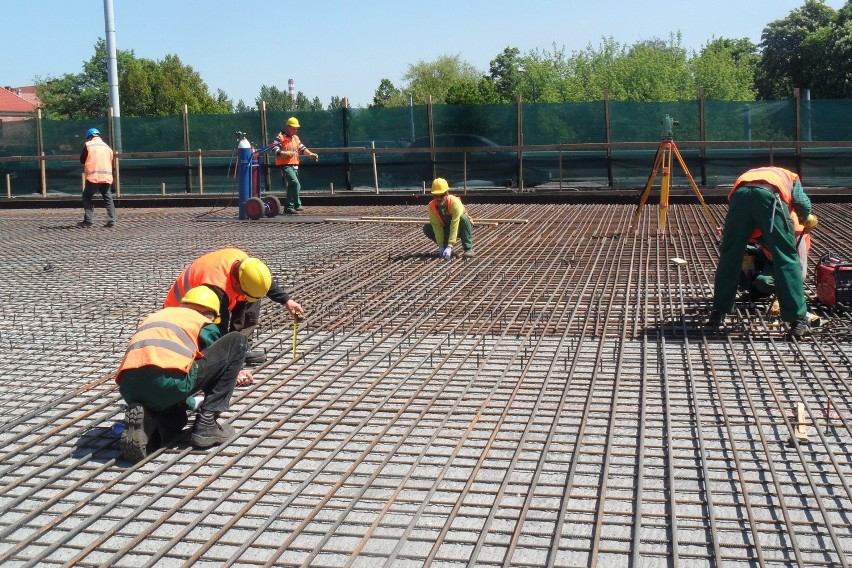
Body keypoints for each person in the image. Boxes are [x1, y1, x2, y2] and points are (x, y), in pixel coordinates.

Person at [116, 286, 253, 461]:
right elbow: (220, 358)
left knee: (176, 420)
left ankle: (150, 426)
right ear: (210, 314)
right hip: (169, 382)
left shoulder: (156, 316)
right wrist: (237, 371)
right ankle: (207, 423)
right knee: (237, 342)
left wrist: (189, 402)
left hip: (129, 389)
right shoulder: (201, 322)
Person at [708, 166, 814, 337]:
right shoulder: (792, 177)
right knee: (786, 257)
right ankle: (797, 320)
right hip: (769, 198)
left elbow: (743, 208)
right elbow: (802, 203)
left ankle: (718, 311)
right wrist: (804, 218)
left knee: (730, 255)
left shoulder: (751, 174)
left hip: (740, 198)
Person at [163, 247, 305, 363]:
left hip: (206, 301)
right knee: (211, 336)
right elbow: (219, 329)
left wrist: (287, 301)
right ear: (236, 283)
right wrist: (227, 365)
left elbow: (260, 283)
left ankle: (240, 347)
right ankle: (225, 354)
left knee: (252, 296)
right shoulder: (216, 286)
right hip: (179, 315)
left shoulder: (245, 264)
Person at [275, 116, 319, 214]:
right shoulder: (280, 137)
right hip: (286, 165)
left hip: (295, 165)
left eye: (296, 129)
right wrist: (284, 153)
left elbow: (302, 148)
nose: (296, 130)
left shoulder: (295, 138)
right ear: (288, 127)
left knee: (292, 186)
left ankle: (288, 208)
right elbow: (274, 150)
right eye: (294, 129)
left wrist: (310, 154)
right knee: (295, 183)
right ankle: (297, 204)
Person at [423, 178, 475, 259]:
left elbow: (455, 224)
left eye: (442, 195)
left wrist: (450, 245)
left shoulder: (455, 203)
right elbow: (436, 226)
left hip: (462, 227)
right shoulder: (431, 206)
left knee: (464, 218)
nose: (439, 198)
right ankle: (445, 249)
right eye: (436, 196)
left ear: (447, 193)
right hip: (447, 228)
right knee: (428, 228)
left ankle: (468, 249)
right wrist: (441, 246)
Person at [78, 128, 117, 228]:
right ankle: (112, 220)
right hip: (106, 177)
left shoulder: (89, 145)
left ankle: (88, 221)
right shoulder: (107, 148)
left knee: (87, 196)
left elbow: (82, 160)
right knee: (108, 198)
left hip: (94, 177)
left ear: (90, 137)